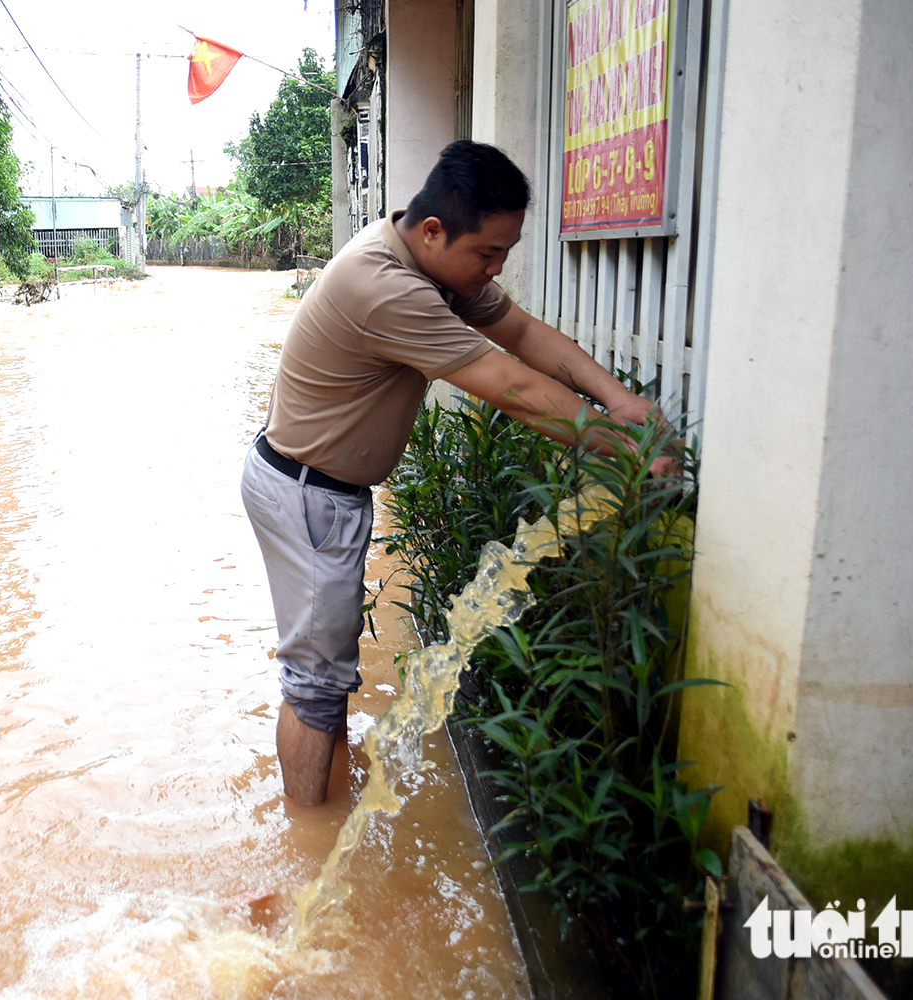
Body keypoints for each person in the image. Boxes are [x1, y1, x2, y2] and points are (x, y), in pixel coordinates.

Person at [241, 140, 672, 806]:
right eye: (487, 254)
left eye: (505, 253)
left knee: (327, 678)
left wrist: (618, 401)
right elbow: (511, 387)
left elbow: (523, 335)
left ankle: (324, 810)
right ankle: (309, 845)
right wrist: (627, 448)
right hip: (308, 498)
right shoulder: (385, 286)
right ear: (435, 230)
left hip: (317, 489)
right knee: (315, 684)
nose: (495, 270)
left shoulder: (425, 258)